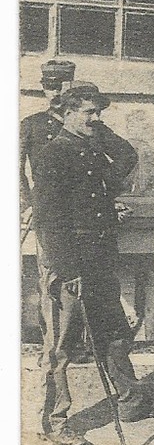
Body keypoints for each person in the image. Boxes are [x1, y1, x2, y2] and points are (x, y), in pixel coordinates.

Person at [33, 84, 154, 445]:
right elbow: (49, 219)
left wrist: (110, 210)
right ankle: (55, 420)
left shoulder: (90, 150)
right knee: (61, 346)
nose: (97, 119)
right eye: (89, 113)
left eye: (98, 112)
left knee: (113, 332)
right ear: (66, 112)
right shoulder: (51, 155)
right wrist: (67, 268)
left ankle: (130, 401)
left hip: (100, 258)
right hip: (70, 262)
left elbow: (97, 194)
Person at [20, 59, 76, 341]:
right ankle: (52, 346)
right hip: (47, 216)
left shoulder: (84, 123)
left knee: (79, 280)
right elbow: (14, 170)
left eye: (61, 87)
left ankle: (76, 343)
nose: (54, 93)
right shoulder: (31, 125)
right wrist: (28, 203)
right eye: (49, 87)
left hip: (80, 216)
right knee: (51, 279)